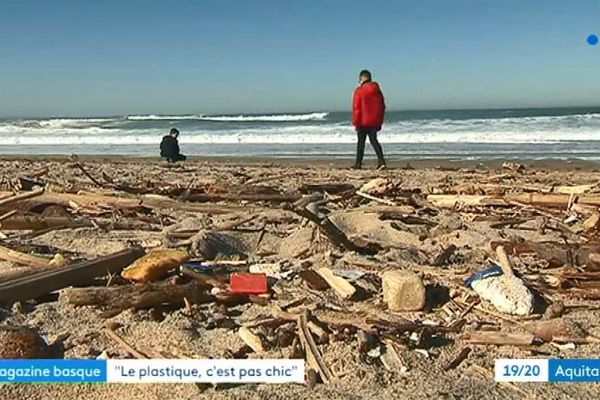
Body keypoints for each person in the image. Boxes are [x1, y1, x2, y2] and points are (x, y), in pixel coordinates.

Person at [352, 69, 386, 170]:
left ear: (361, 79)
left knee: (361, 143)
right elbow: (382, 107)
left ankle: (358, 164)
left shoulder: (359, 91)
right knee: (374, 141)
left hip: (362, 122)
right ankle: (381, 161)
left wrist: (356, 122)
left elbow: (357, 108)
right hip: (374, 122)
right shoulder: (377, 90)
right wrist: (380, 121)